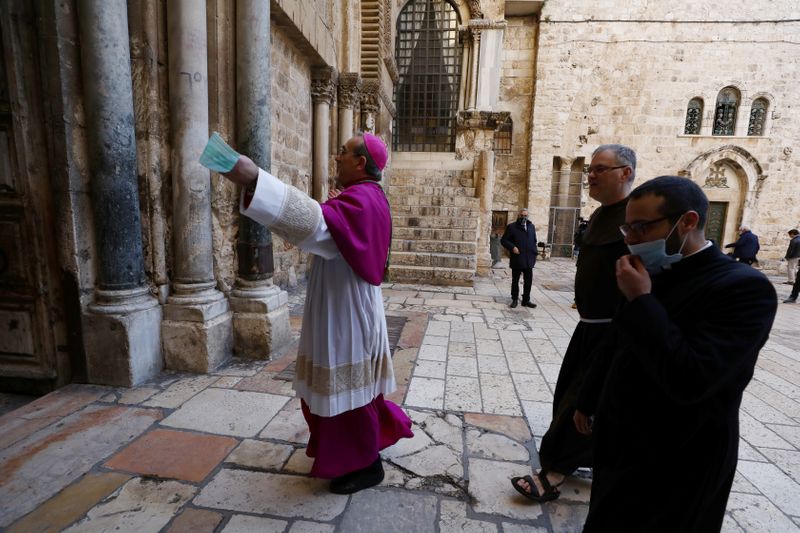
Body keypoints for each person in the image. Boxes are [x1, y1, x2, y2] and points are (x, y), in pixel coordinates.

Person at [575, 176, 777, 532]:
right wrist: (588, 397)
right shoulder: (652, 273)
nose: (631, 238)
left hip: (680, 457)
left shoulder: (744, 288)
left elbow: (692, 377)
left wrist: (642, 300)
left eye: (641, 227)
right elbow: (616, 342)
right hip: (622, 444)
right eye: (628, 227)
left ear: (687, 222)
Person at [218, 132, 413, 494]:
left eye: (343, 151)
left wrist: (255, 180)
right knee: (349, 386)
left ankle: (368, 466)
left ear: (361, 162)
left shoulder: (362, 200)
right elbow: (327, 227)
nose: (336, 157)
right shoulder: (365, 197)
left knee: (350, 389)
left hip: (347, 310)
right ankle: (354, 457)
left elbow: (319, 226)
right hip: (343, 301)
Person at [511, 144, 636, 502]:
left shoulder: (634, 217)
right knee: (569, 392)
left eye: (600, 169)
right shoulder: (599, 216)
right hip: (589, 325)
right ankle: (589, 458)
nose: (590, 175)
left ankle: (553, 473)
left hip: (613, 330)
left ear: (625, 172)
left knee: (582, 401)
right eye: (590, 169)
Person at [501, 208, 538, 308]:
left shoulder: (531, 227)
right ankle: (514, 299)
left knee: (528, 281)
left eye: (525, 215)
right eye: (522, 215)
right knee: (515, 280)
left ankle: (526, 300)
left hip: (529, 259)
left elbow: (534, 240)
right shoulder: (512, 227)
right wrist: (512, 247)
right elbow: (504, 240)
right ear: (518, 215)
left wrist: (535, 252)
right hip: (517, 258)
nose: (523, 217)